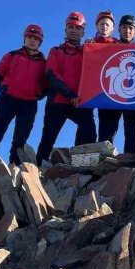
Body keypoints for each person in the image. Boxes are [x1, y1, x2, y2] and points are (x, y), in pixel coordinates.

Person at [0, 24, 48, 166]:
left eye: (36, 38)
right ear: (24, 38)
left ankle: (14, 168)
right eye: (29, 37)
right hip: (8, 99)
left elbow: (47, 83)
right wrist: (3, 87)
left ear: (40, 42)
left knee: (20, 139)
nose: (32, 40)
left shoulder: (43, 63)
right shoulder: (13, 55)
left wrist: (40, 94)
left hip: (29, 103)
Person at [36, 11, 97, 165]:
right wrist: (70, 95)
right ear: (65, 30)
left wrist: (94, 47)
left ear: (83, 31)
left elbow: (98, 71)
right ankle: (37, 170)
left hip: (80, 102)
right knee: (48, 138)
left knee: (89, 132)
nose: (73, 30)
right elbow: (52, 75)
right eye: (70, 27)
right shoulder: (56, 51)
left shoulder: (88, 52)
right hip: (58, 102)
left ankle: (81, 167)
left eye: (77, 28)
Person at [97, 14, 135, 154]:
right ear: (119, 29)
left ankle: (130, 165)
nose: (127, 31)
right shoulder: (107, 47)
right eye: (124, 27)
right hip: (110, 95)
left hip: (133, 98)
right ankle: (104, 162)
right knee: (106, 133)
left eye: (131, 28)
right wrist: (91, 44)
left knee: (133, 133)